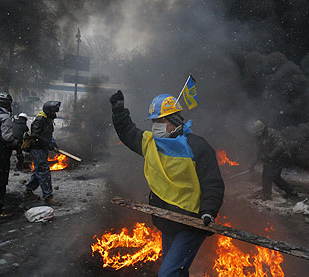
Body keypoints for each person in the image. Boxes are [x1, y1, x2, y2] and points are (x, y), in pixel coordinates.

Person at [110, 90, 224, 276]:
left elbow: (213, 184)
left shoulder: (198, 146)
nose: (156, 126)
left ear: (176, 121)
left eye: (161, 121)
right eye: (154, 121)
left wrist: (208, 212)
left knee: (168, 273)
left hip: (191, 223)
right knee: (178, 270)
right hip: (166, 220)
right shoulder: (150, 143)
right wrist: (119, 112)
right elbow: (128, 133)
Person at [24, 101, 61, 206]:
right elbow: (35, 135)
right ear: (48, 111)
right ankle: (48, 196)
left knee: (39, 171)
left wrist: (53, 144)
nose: (54, 114)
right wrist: (47, 144)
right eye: (53, 112)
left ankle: (28, 190)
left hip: (42, 148)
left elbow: (48, 135)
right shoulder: (40, 119)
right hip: (37, 149)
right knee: (44, 172)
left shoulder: (48, 119)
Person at [251, 120, 297, 200]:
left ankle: (267, 195)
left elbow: (280, 147)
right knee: (273, 177)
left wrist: (269, 156)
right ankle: (291, 192)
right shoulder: (260, 137)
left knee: (268, 175)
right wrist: (252, 164)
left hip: (281, 156)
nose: (256, 133)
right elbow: (258, 151)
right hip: (272, 158)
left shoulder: (272, 134)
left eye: (257, 131)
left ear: (262, 129)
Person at [0, 92, 18, 219]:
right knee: (0, 182)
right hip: (1, 155)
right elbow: (7, 137)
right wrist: (17, 143)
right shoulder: (5, 117)